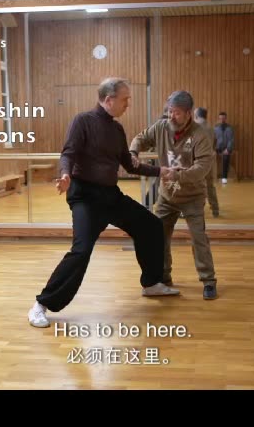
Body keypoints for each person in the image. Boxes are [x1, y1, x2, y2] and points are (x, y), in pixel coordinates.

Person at [28, 78, 180, 328]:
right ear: (109, 100)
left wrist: (159, 171)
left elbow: (129, 165)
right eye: (125, 99)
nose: (128, 104)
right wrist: (65, 174)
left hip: (110, 195)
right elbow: (68, 153)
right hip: (85, 197)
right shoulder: (83, 121)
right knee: (81, 250)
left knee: (151, 225)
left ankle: (151, 283)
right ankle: (41, 304)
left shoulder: (116, 129)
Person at [130, 91, 219, 300]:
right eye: (169, 111)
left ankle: (208, 280)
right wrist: (133, 152)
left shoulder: (200, 135)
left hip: (192, 196)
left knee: (199, 239)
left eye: (176, 113)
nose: (171, 116)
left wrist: (177, 175)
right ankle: (163, 276)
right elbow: (141, 138)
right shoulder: (161, 127)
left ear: (188, 114)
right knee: (159, 237)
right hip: (167, 196)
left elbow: (202, 167)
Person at [194, 107, 219, 217]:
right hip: (209, 161)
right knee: (210, 185)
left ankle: (196, 210)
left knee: (194, 186)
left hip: (198, 161)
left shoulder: (194, 127)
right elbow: (214, 144)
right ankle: (215, 209)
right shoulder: (211, 128)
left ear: (196, 115)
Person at [214, 112, 234, 184]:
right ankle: (212, 177)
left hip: (226, 148)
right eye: (220, 118)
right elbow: (213, 139)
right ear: (219, 119)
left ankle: (224, 177)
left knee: (225, 158)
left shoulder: (229, 128)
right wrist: (213, 149)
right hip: (217, 148)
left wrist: (228, 149)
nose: (222, 120)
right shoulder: (215, 128)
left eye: (223, 118)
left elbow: (231, 140)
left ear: (226, 119)